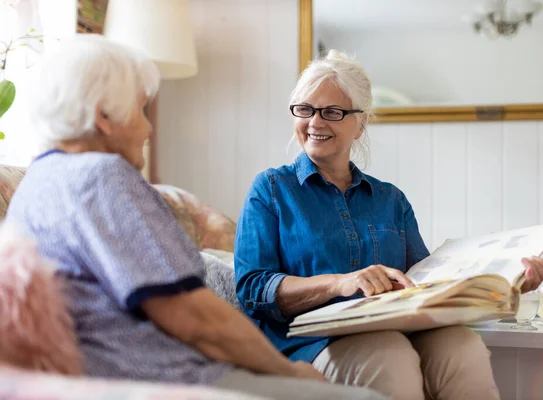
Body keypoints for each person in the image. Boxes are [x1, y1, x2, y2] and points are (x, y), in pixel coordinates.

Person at [5, 35, 385, 400]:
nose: (148, 128)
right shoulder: (101, 177)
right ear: (104, 117)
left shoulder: (38, 183)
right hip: (166, 378)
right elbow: (193, 317)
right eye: (140, 110)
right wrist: (290, 372)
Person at [234, 50, 543, 400]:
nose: (315, 122)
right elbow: (253, 288)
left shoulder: (391, 200)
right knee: (389, 355)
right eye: (305, 109)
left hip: (396, 330)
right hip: (311, 344)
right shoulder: (271, 189)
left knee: (464, 346)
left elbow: (426, 285)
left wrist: (508, 284)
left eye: (332, 112)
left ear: (361, 122)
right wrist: (340, 283)